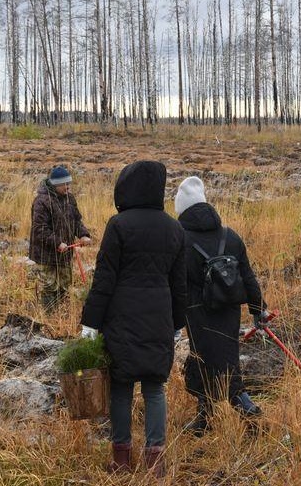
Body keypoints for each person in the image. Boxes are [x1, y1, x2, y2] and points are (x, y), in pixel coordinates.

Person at [80, 161, 187, 479]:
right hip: (159, 319)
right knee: (155, 388)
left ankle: (121, 460)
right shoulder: (174, 228)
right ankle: (155, 463)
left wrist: (90, 323)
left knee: (121, 387)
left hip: (121, 319)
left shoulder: (118, 225)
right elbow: (179, 285)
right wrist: (177, 324)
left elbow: (104, 280)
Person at [173, 176, 269, 436]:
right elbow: (248, 276)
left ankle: (248, 409)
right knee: (222, 359)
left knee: (208, 362)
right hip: (229, 310)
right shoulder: (230, 236)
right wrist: (259, 310)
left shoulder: (179, 239)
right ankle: (205, 418)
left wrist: (173, 321)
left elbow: (176, 284)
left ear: (182, 209)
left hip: (197, 312)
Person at [28, 165, 91, 312]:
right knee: (48, 286)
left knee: (64, 285)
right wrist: (57, 243)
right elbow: (40, 229)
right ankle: (48, 316)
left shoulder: (70, 198)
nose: (68, 187)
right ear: (55, 184)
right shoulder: (41, 201)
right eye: (64, 184)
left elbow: (76, 221)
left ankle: (59, 314)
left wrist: (83, 235)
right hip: (45, 254)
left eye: (69, 183)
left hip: (65, 253)